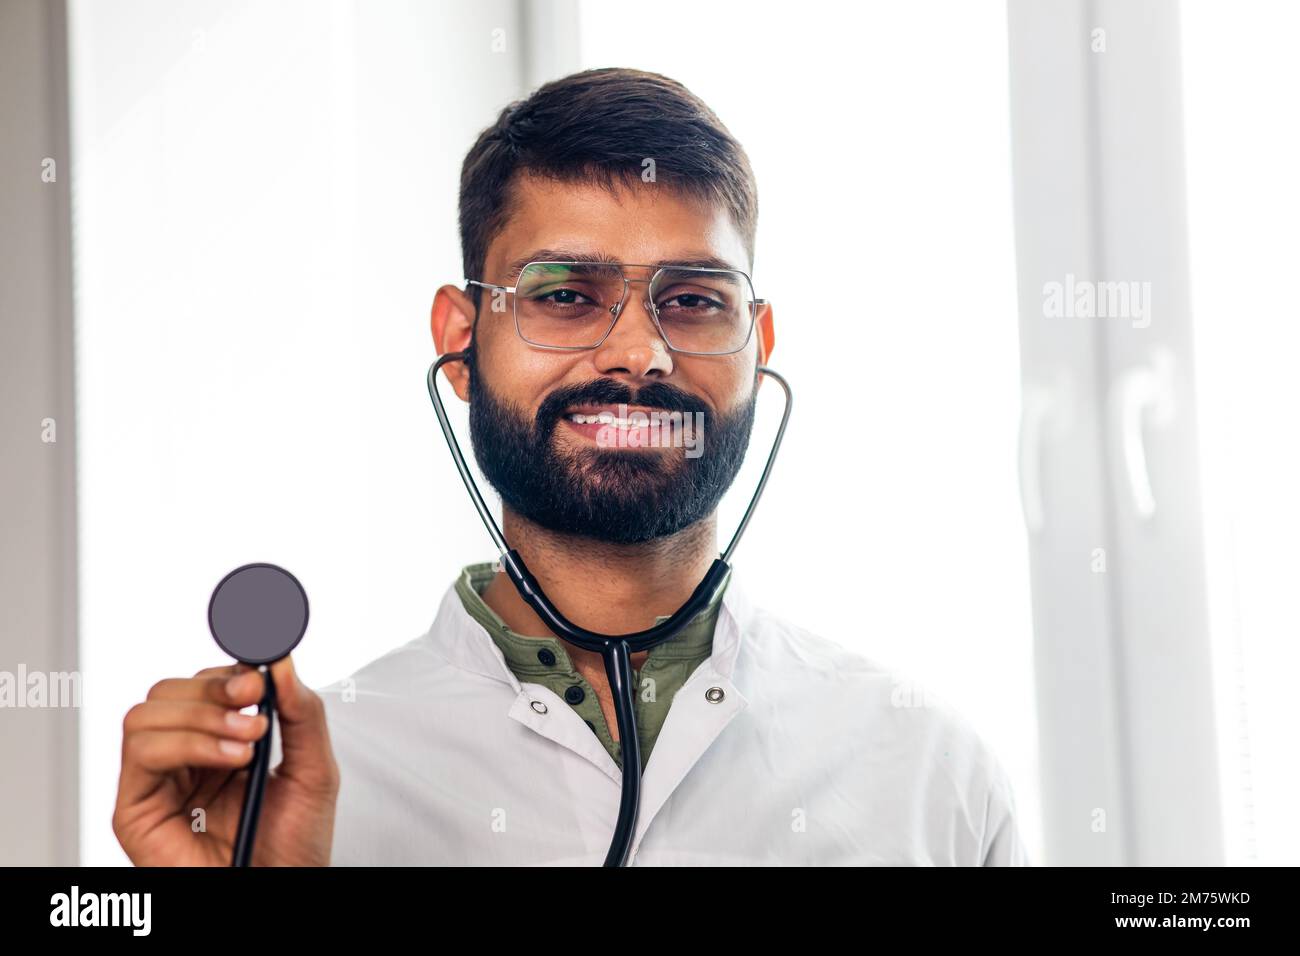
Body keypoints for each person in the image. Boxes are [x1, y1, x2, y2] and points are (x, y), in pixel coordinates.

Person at [113, 67, 1029, 866]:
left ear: (759, 344)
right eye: (565, 295)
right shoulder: (301, 787)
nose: (640, 353)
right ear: (461, 342)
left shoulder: (928, 773)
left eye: (695, 300)